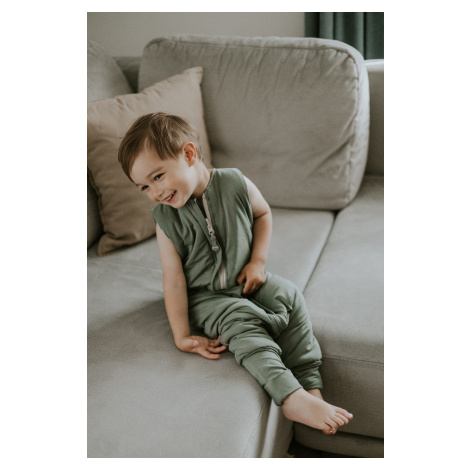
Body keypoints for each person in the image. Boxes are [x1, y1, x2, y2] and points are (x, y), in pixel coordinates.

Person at [118, 112, 353, 435]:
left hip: (245, 279)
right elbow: (173, 280)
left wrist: (257, 262)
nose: (155, 192)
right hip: (206, 298)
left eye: (158, 176)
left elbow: (262, 213)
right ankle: (289, 395)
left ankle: (310, 385)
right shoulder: (166, 220)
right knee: (241, 322)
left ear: (189, 154)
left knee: (289, 295)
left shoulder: (235, 183)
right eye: (144, 186)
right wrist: (182, 335)